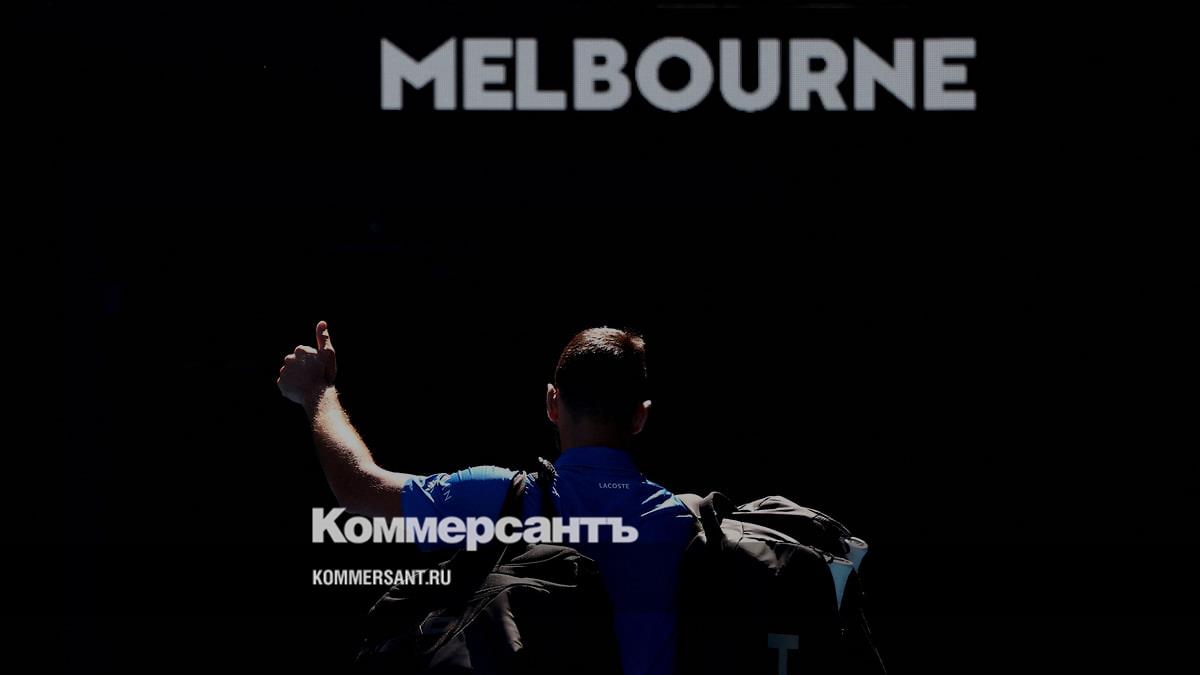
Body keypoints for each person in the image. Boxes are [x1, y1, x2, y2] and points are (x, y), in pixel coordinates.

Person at [277, 321, 696, 675]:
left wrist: (317, 392)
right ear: (640, 416)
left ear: (552, 403)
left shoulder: (497, 496)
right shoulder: (681, 521)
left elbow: (358, 487)